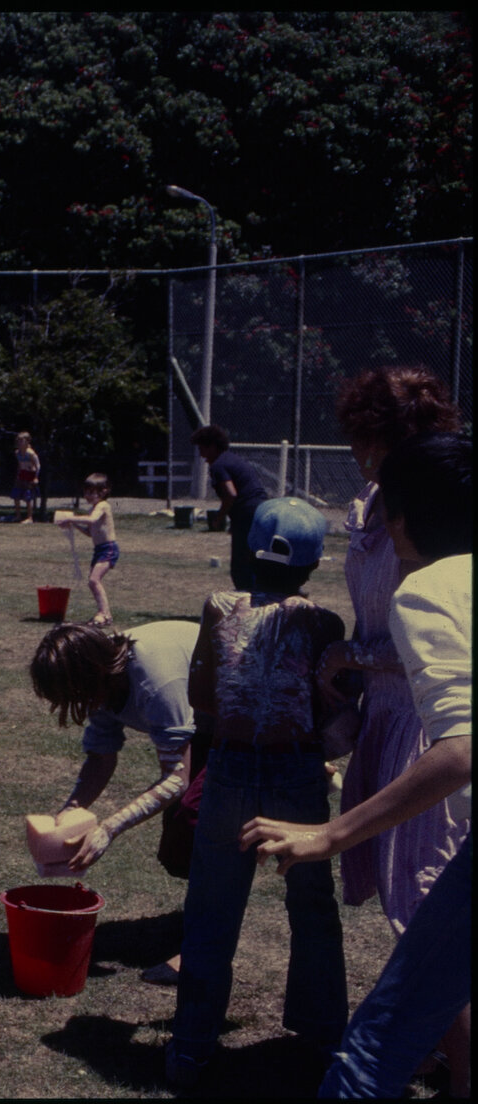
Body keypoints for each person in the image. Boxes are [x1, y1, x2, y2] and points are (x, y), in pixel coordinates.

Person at [241, 432, 470, 1099]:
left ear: (397, 520)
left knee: (368, 1058)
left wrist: (330, 835)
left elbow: (461, 748)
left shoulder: (427, 590)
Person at [165, 496, 348, 1092]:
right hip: (296, 774)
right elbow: (328, 708)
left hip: (230, 772)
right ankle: (322, 1035)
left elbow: (203, 697)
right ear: (314, 565)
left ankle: (189, 1048)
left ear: (249, 552)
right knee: (312, 903)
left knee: (210, 912)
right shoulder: (323, 624)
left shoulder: (218, 608)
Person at [320, 368, 463, 938]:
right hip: (383, 714)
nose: (361, 453)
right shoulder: (372, 504)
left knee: (423, 896)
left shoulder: (430, 517)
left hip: (423, 719)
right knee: (398, 891)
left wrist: (352, 656)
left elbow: (432, 644)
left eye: (372, 439)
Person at [29, 620, 199, 983]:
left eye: (74, 695)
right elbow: (101, 757)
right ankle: (204, 921)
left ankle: (203, 950)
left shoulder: (155, 681)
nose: (76, 705)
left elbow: (177, 778)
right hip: (202, 722)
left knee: (197, 825)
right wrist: (70, 810)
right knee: (179, 849)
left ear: (90, 676)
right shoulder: (101, 678)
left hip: (235, 717)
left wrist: (109, 828)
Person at [191, 424, 269, 591]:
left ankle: (248, 600)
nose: (200, 453)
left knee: (241, 567)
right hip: (261, 510)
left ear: (212, 446)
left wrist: (219, 517)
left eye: (202, 447)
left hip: (247, 514)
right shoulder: (232, 459)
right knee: (255, 560)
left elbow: (231, 494)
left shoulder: (218, 465)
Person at [54, 472, 118, 626]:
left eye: (91, 492)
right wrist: (74, 524)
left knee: (94, 580)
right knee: (93, 582)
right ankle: (105, 613)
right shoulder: (94, 508)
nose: (87, 496)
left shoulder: (103, 505)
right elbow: (90, 532)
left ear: (103, 491)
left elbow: (91, 520)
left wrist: (70, 518)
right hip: (99, 549)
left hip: (108, 549)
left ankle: (104, 614)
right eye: (85, 492)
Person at [13, 431, 41, 524]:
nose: (19, 443)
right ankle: (18, 516)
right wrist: (18, 474)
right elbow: (19, 465)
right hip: (22, 474)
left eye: (22, 441)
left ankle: (30, 517)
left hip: (30, 474)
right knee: (16, 495)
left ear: (27, 442)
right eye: (18, 440)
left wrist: (36, 477)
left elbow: (38, 465)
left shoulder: (31, 453)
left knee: (28, 496)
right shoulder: (17, 453)